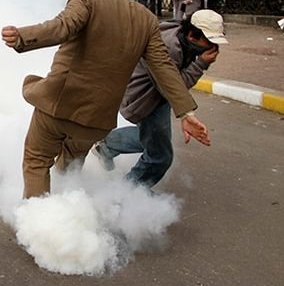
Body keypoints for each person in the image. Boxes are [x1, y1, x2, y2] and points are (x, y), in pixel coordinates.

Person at [1, 0, 211, 199]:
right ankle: (65, 212)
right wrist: (186, 113)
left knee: (36, 161)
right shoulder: (146, 18)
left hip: (59, 106)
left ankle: (39, 226)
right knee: (71, 163)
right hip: (97, 120)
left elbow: (64, 25)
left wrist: (22, 37)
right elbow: (164, 67)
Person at [93, 10, 228, 187]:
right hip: (145, 98)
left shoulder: (183, 39)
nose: (213, 48)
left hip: (155, 96)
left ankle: (106, 146)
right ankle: (129, 192)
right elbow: (173, 86)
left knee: (155, 140)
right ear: (192, 35)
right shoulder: (170, 47)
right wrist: (201, 64)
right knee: (160, 156)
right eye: (209, 42)